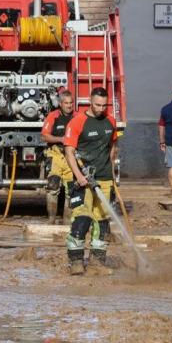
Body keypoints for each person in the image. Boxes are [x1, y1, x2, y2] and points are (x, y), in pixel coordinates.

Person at [63, 87, 118, 276]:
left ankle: (97, 261)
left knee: (102, 221)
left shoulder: (110, 121)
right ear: (90, 102)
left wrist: (112, 174)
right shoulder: (78, 122)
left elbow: (112, 146)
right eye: (97, 105)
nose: (101, 109)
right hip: (83, 179)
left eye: (104, 105)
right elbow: (69, 151)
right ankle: (76, 261)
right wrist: (78, 175)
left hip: (104, 178)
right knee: (82, 219)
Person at [41, 90, 76, 224]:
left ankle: (67, 221)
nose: (69, 105)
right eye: (66, 103)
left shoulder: (78, 117)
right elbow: (44, 136)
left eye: (71, 103)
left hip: (71, 156)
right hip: (55, 154)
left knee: (71, 190)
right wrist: (60, 139)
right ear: (60, 104)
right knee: (52, 186)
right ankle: (51, 220)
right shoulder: (53, 116)